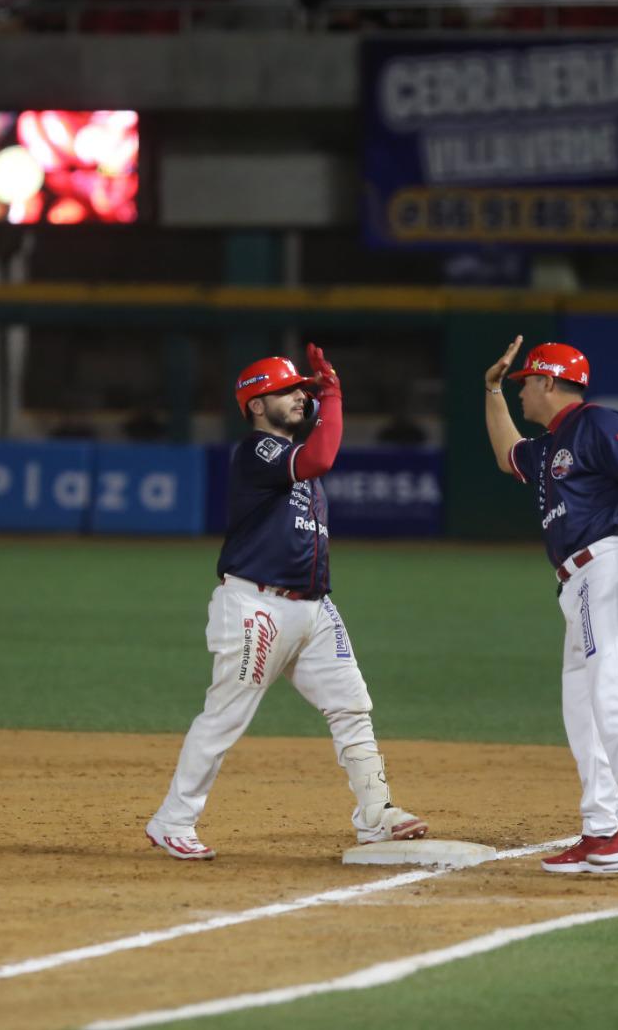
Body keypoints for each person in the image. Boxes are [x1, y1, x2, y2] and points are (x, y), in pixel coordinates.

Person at [144, 344, 429, 860]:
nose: (300, 397)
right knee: (226, 715)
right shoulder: (258, 451)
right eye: (285, 391)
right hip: (258, 605)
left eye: (302, 390)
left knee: (351, 706)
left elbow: (315, 438)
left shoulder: (291, 459)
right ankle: (173, 820)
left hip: (314, 609)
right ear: (255, 405)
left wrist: (321, 390)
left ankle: (376, 814)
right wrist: (334, 395)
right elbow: (322, 453)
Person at [483, 336, 618, 875]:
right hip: (577, 584)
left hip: (611, 567)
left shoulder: (597, 422)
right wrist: (490, 392)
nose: (522, 391)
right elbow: (508, 457)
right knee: (582, 707)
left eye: (525, 382)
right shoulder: (551, 443)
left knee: (614, 688)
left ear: (549, 381)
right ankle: (601, 826)